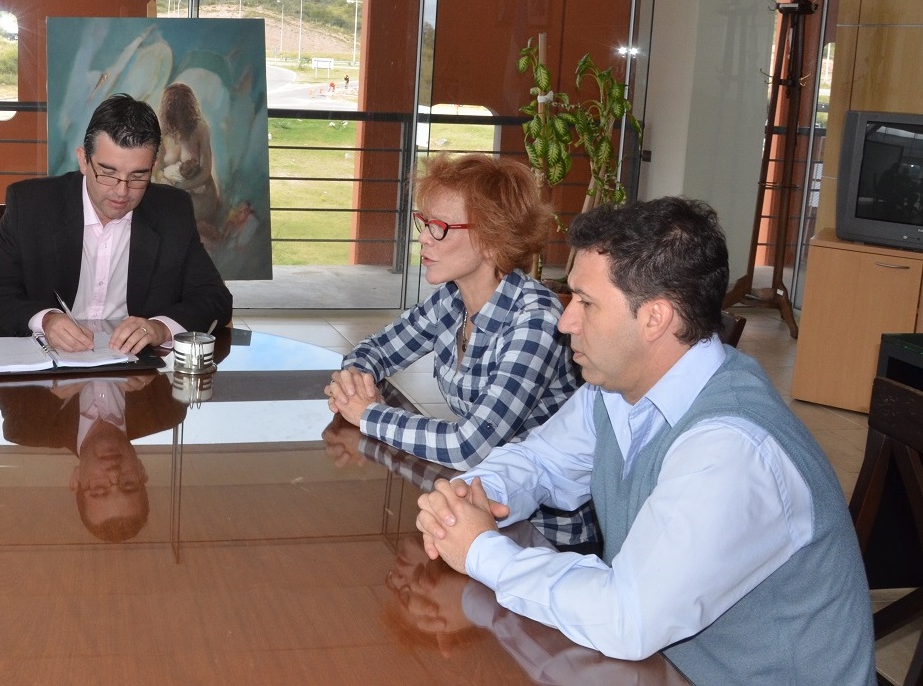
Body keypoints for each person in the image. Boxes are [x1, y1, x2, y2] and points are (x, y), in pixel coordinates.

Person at [416, 197, 874, 685]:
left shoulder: (731, 450)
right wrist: (473, 496)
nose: (565, 321)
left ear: (655, 318)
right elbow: (541, 460)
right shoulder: (618, 389)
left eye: (586, 303)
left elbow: (626, 618)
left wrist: (481, 550)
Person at [325, 153, 592, 547]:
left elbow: (470, 445)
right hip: (475, 500)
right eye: (424, 222)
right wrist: (356, 378)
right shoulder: (451, 299)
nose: (423, 237)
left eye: (440, 227)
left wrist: (368, 414)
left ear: (490, 238)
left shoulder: (536, 319)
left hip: (542, 532)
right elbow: (375, 349)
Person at [0, 93, 232, 353]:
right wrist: (45, 320)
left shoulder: (171, 211)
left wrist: (160, 328)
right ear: (83, 160)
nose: (122, 191)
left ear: (153, 168)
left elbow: (215, 299)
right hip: (48, 370)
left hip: (136, 376)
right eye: (108, 173)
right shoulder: (32, 205)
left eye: (138, 176)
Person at [0, 375, 186, 541]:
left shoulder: (26, 426)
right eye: (128, 484)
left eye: (99, 487)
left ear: (76, 479)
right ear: (141, 471)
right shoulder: (167, 408)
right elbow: (211, 340)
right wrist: (164, 343)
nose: (113, 472)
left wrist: (48, 383)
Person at [154, 82, 221, 232]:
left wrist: (180, 188)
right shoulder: (162, 132)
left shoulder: (200, 129)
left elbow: (205, 172)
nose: (178, 115)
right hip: (171, 193)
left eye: (181, 110)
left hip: (201, 197)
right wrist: (163, 181)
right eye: (173, 110)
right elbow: (157, 168)